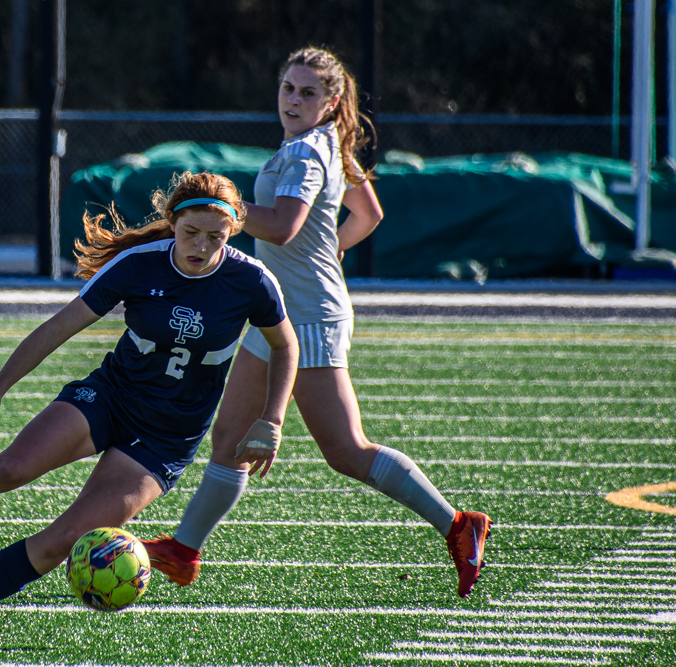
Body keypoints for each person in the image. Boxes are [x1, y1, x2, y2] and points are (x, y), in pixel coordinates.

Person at [0, 171, 299, 642]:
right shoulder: (140, 264)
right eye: (190, 232)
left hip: (166, 438)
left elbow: (286, 346)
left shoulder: (251, 280)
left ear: (233, 232)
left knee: (67, 538)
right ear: (172, 223)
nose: (200, 246)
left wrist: (271, 419)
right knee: (9, 467)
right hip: (111, 397)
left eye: (214, 237)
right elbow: (58, 328)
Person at [142, 48, 492, 598]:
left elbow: (282, 227)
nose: (293, 100)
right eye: (287, 88)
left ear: (330, 101)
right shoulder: (327, 143)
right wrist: (329, 252)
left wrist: (218, 206)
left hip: (307, 318)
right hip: (277, 310)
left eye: (307, 92)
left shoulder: (308, 152)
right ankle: (185, 550)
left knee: (347, 450)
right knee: (231, 436)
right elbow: (368, 216)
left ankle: (457, 525)